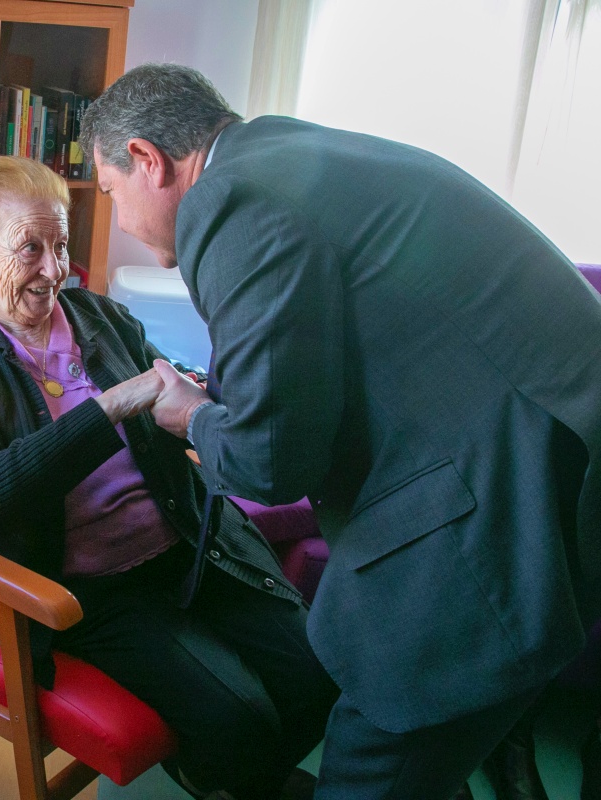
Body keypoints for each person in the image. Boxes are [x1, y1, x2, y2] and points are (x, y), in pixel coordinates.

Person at [80, 62, 601, 800]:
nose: (120, 220)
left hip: (501, 503)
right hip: (558, 454)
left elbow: (268, 463)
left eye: (109, 192)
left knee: (373, 754)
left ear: (147, 160)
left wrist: (191, 414)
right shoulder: (285, 152)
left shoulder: (229, 199)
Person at [0, 155, 338, 800]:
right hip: (89, 586)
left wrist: (212, 391)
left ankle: (241, 778)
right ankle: (231, 777)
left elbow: (170, 388)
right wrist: (109, 407)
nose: (54, 270)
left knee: (316, 672)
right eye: (30, 248)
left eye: (60, 245)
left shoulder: (99, 318)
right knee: (240, 717)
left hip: (187, 539)